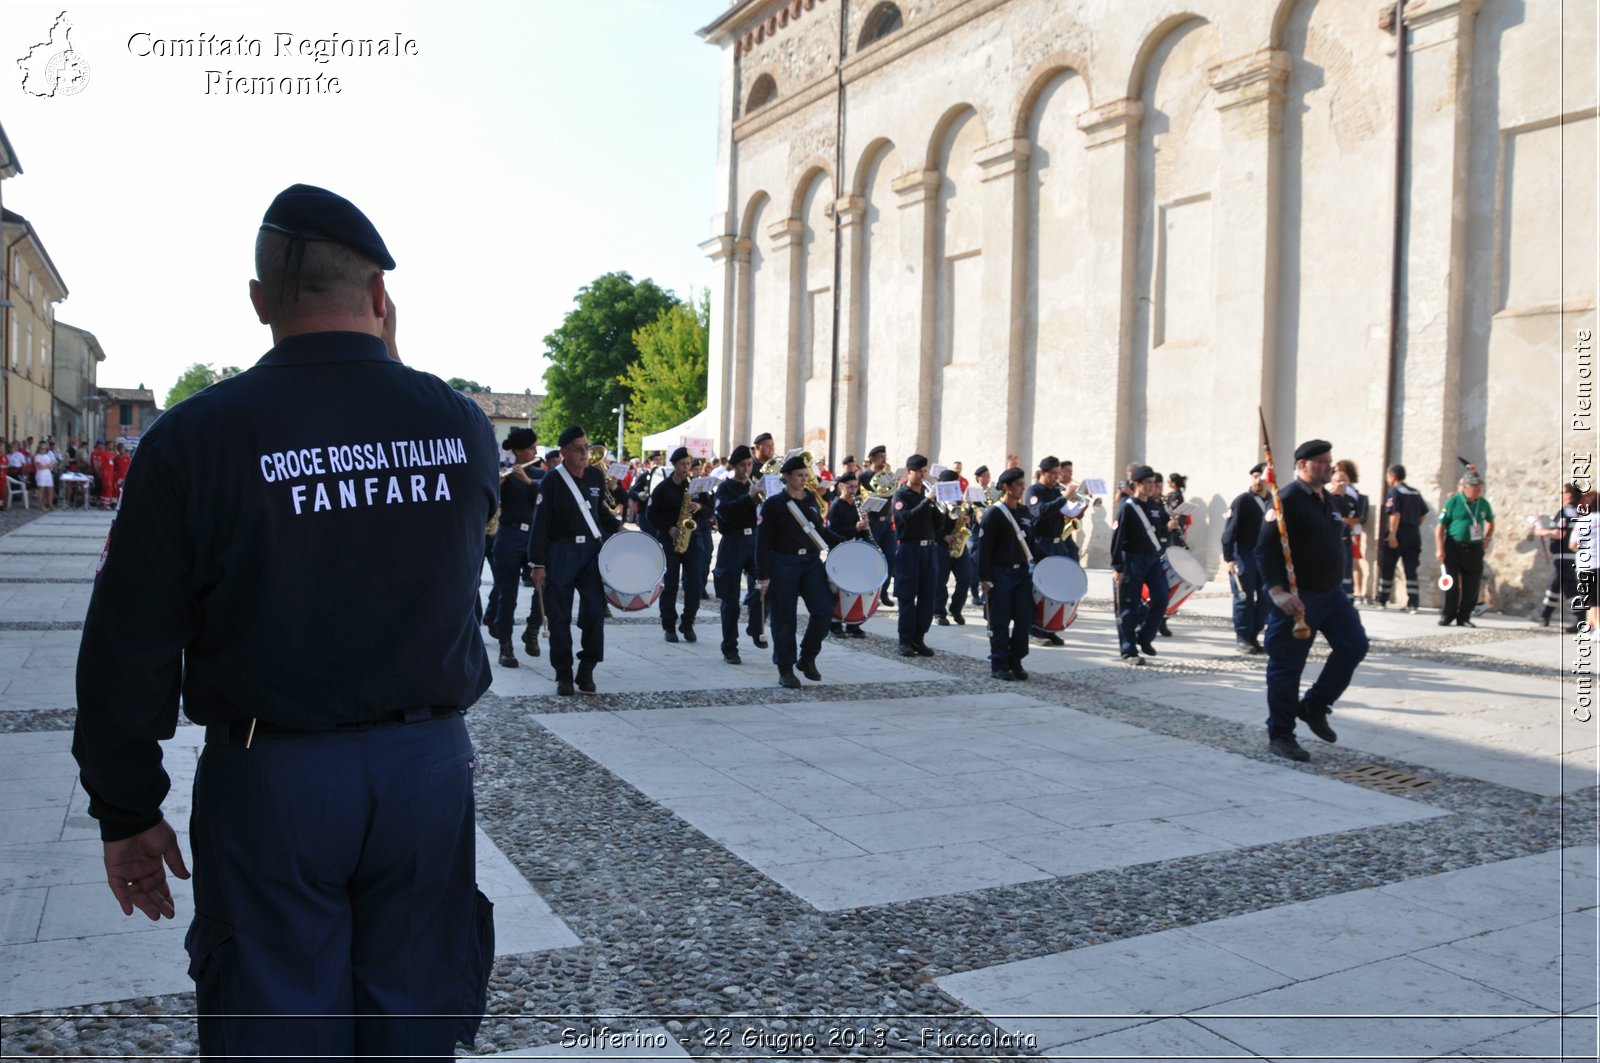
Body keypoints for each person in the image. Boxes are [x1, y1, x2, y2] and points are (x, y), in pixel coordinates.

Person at [71, 184, 497, 1058]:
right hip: (427, 770)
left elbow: (128, 646)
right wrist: (390, 368)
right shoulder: (459, 424)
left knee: (274, 1025)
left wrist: (127, 807)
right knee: (414, 1017)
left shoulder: (195, 438)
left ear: (259, 301)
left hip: (275, 778)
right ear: (380, 298)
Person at [1255, 439, 1369, 762]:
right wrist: (1278, 592)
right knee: (1287, 665)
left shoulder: (1329, 501)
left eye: (1329, 462)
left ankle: (1315, 705)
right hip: (1299, 597)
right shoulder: (1285, 500)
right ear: (1302, 465)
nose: (1327, 467)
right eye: (1319, 462)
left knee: (1354, 645)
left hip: (1333, 596)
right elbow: (1264, 549)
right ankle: (1281, 733)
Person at [531, 426, 623, 695]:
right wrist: (537, 562)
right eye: (578, 449)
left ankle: (587, 669)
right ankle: (563, 673)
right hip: (560, 552)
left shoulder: (595, 475)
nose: (585, 453)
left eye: (586, 447)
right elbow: (540, 524)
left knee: (595, 613)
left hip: (591, 553)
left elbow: (599, 513)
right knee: (559, 616)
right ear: (564, 453)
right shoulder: (551, 481)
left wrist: (619, 528)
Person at [756, 453, 843, 688]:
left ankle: (807, 657)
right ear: (786, 477)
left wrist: (848, 542)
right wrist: (762, 576)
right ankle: (785, 668)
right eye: (799, 475)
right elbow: (762, 543)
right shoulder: (773, 505)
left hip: (811, 563)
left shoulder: (812, 500)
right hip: (783, 564)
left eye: (806, 475)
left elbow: (820, 532)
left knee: (824, 610)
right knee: (784, 618)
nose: (804, 479)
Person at [488, 427, 543, 666]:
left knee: (543, 586)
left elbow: (547, 496)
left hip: (533, 536)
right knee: (506, 593)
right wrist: (496, 485)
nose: (535, 451)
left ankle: (532, 629)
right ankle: (505, 645)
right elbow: (488, 502)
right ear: (519, 452)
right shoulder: (504, 475)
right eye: (531, 448)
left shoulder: (540, 475)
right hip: (509, 535)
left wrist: (528, 481)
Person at [978, 467, 1036, 680]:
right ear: (1007, 487)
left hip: (1021, 574)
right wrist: (984, 578)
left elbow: (1032, 543)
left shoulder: (1024, 512)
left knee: (1024, 618)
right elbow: (984, 548)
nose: (1022, 488)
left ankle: (1016, 659)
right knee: (1000, 620)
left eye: (1023, 484)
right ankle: (999, 663)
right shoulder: (994, 513)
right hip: (999, 573)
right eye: (1019, 485)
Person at [647, 446, 709, 643]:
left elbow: (711, 509)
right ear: (674, 465)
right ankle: (669, 625)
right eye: (682, 464)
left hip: (694, 538)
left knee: (695, 583)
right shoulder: (662, 489)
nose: (686, 468)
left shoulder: (696, 486)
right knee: (670, 585)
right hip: (670, 540)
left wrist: (699, 506)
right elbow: (651, 515)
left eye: (689, 464)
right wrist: (668, 529)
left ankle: (688, 621)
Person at [1110, 466, 1170, 664]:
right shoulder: (1128, 507)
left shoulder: (1153, 506)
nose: (1152, 487)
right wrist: (1118, 567)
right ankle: (1128, 650)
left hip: (1152, 559)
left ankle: (1144, 637)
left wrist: (1168, 528)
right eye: (1148, 483)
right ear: (1137, 485)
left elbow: (1158, 532)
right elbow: (1118, 539)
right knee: (1128, 605)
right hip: (1132, 559)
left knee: (1161, 597)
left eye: (1154, 483)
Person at [892, 454, 947, 656]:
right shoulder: (902, 495)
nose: (924, 474)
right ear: (909, 472)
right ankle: (905, 640)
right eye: (919, 471)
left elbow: (939, 527)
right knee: (907, 595)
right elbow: (907, 519)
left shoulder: (928, 495)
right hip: (910, 549)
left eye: (925, 471)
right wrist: (927, 501)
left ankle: (919, 638)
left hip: (930, 549)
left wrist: (942, 509)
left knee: (927, 596)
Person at [713, 444, 763, 663]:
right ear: (734, 466)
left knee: (764, 586)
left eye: (750, 464)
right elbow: (723, 512)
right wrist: (749, 498)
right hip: (733, 542)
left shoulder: (755, 486)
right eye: (742, 465)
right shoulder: (726, 487)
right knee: (730, 600)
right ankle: (729, 647)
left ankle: (755, 626)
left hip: (754, 541)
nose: (747, 469)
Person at [1221, 462, 1271, 654]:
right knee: (1244, 598)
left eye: (1262, 477)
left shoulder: (1273, 502)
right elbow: (1229, 532)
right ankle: (1243, 638)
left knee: (1266, 598)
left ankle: (1254, 635)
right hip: (1244, 555)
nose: (1258, 480)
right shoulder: (1242, 501)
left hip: (1265, 558)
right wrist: (1229, 558)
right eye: (1255, 476)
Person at [1436, 467, 1495, 627]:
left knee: (1472, 584)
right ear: (1466, 486)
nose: (1478, 489)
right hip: (1454, 547)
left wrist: (1487, 537)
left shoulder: (1483, 504)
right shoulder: (1453, 502)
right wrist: (1440, 548)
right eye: (1475, 486)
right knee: (1452, 584)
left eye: (1480, 486)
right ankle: (1447, 615)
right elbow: (1440, 527)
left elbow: (1491, 521)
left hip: (1474, 548)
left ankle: (1464, 617)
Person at [824, 469, 871, 638]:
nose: (854, 490)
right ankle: (834, 623)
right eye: (850, 487)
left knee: (855, 588)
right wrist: (854, 528)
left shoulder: (857, 505)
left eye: (856, 487)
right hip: (839, 552)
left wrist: (865, 526)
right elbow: (833, 531)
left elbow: (861, 532)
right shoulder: (836, 506)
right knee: (837, 589)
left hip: (854, 551)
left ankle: (853, 623)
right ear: (842, 487)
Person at [1378, 463, 1428, 612]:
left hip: (1398, 532)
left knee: (1388, 567)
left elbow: (1395, 513)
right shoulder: (1415, 492)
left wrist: (1392, 534)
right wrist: (1413, 525)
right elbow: (1423, 514)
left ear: (1392, 476)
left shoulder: (1394, 491)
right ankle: (1413, 604)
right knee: (1411, 569)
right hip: (1413, 534)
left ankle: (1382, 600)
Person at [1535, 484, 1583, 631]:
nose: (1560, 494)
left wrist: (1542, 531)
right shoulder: (1576, 511)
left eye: (1562, 492)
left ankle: (1581, 618)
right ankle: (1545, 615)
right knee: (1554, 585)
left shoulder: (1565, 512)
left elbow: (1560, 533)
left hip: (1564, 556)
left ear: (1570, 495)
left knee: (1569, 588)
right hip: (1570, 555)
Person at [863, 445, 898, 607]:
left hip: (887, 522)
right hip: (873, 522)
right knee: (872, 558)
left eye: (885, 457)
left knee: (890, 557)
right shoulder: (865, 476)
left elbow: (892, 493)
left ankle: (884, 591)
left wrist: (891, 476)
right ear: (872, 459)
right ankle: (870, 592)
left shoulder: (887, 475)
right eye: (880, 457)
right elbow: (871, 492)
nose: (884, 460)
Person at [1336, 459, 1371, 601]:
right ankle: (1357, 591)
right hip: (1353, 530)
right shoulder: (1353, 489)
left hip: (1351, 531)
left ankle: (1357, 591)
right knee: (1353, 562)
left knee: (1352, 562)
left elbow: (1354, 515)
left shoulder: (1348, 491)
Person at [33, 441, 56, 510]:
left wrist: (47, 465)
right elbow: (40, 467)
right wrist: (48, 465)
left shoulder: (47, 456)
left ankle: (50, 504)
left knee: (50, 490)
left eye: (45, 449)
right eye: (42, 448)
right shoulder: (37, 456)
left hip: (48, 473)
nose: (43, 450)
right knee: (41, 490)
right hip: (41, 474)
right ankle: (41, 505)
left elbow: (52, 465)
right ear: (39, 449)